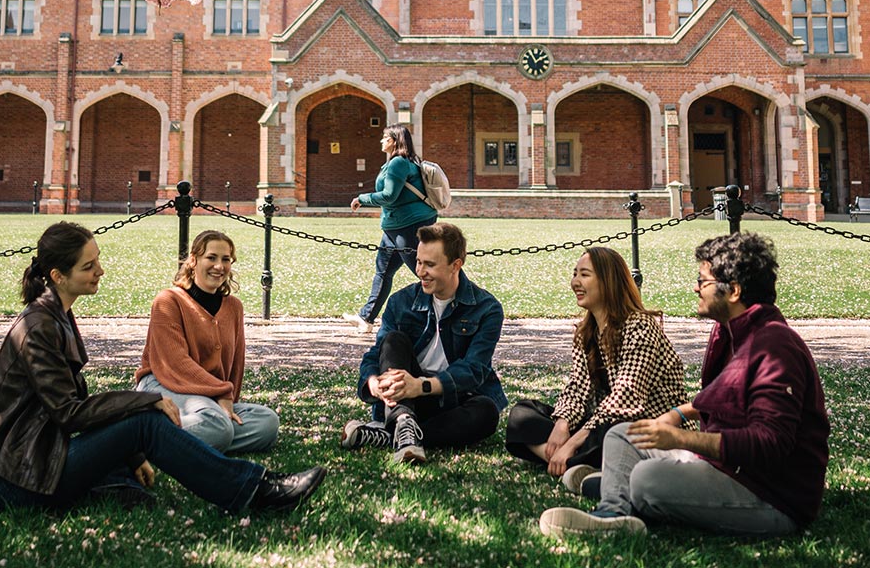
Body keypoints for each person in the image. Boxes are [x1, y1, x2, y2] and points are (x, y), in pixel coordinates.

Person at [0, 222, 326, 513]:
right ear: (58, 275)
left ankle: (117, 479)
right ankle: (257, 490)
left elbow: (75, 404)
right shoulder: (39, 326)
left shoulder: (56, 315)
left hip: (35, 465)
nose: (100, 271)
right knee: (146, 419)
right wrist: (142, 402)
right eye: (89, 266)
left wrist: (132, 453)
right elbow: (70, 413)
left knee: (150, 426)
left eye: (97, 260)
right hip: (17, 481)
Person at [539, 232, 829, 537]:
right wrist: (679, 414)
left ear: (733, 291)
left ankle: (617, 490)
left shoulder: (774, 346)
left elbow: (769, 442)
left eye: (702, 282)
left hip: (771, 496)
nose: (695, 288)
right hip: (724, 468)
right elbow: (725, 394)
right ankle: (613, 509)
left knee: (646, 479)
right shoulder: (730, 334)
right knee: (622, 436)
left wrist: (680, 439)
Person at [505, 247, 689, 494]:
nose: (575, 282)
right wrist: (562, 425)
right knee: (522, 415)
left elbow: (627, 397)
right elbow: (577, 388)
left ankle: (567, 461)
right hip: (598, 423)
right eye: (574, 274)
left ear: (608, 281)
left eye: (584, 275)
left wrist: (572, 442)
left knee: (614, 432)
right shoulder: (586, 331)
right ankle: (574, 466)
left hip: (643, 425)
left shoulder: (641, 326)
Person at [337, 222, 506, 464]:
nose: (420, 271)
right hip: (406, 400)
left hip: (451, 398)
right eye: (418, 262)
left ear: (455, 265)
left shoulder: (486, 308)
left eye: (430, 264)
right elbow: (378, 353)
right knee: (394, 341)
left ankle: (390, 435)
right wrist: (373, 382)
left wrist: (422, 385)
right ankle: (404, 424)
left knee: (487, 413)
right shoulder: (401, 302)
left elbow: (474, 370)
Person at [135, 230, 279, 454]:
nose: (219, 266)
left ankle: (190, 438)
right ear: (193, 260)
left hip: (207, 394)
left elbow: (235, 365)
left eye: (225, 259)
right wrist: (221, 393)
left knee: (267, 422)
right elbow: (174, 363)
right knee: (217, 426)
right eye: (211, 258)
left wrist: (227, 401)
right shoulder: (169, 301)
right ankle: (138, 436)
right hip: (163, 383)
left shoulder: (233, 307)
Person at [343, 123, 440, 333]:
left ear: (394, 141)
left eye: (384, 137)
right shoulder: (400, 162)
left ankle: (460, 306)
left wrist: (361, 198)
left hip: (409, 226)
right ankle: (366, 318)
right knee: (383, 271)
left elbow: (389, 196)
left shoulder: (398, 163)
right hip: (394, 227)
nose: (381, 141)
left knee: (424, 271)